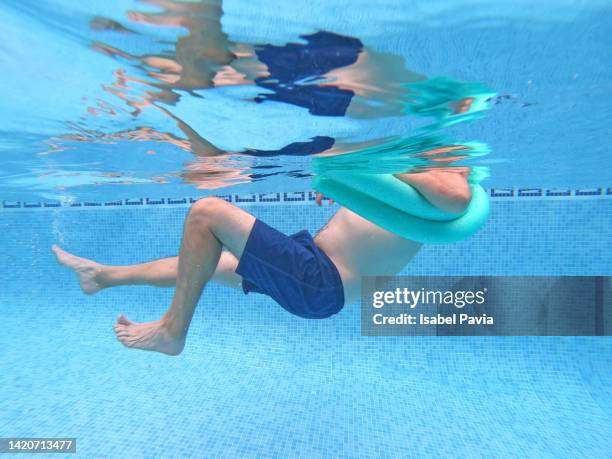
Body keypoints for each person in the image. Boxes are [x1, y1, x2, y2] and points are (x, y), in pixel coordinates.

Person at [53, 167, 471, 355]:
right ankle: (101, 276)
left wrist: (373, 166)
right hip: (317, 270)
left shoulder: (446, 171)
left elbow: (456, 197)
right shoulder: (413, 182)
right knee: (209, 264)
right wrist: (353, 184)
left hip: (321, 280)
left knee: (207, 213)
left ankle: (171, 330)